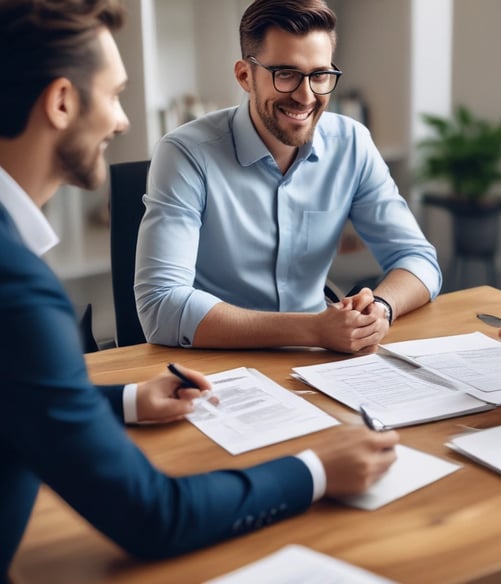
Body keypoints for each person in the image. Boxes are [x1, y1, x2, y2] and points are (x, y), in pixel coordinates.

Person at [0, 0, 398, 577]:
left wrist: (128, 400)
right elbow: (154, 516)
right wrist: (316, 468)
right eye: (114, 95)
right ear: (61, 102)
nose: (122, 121)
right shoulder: (18, 289)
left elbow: (17, 391)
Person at [134, 0, 441, 353]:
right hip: (217, 358)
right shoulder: (185, 153)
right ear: (245, 76)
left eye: (320, 75)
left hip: (320, 358)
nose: (305, 96)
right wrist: (313, 330)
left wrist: (381, 309)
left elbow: (418, 259)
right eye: (286, 74)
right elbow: (161, 306)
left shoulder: (352, 144)